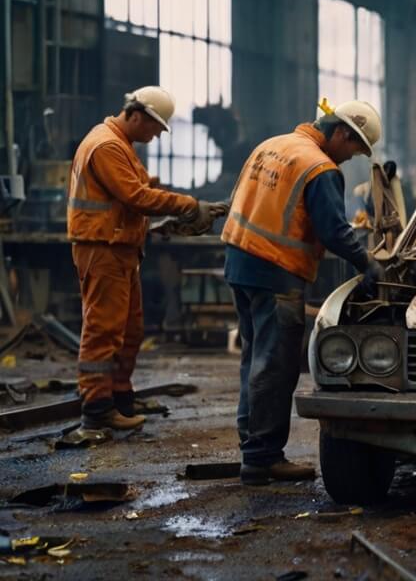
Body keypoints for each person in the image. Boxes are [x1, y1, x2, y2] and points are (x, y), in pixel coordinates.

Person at [222, 100, 386, 486]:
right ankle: (263, 459)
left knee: (254, 358)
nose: (350, 159)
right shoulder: (320, 167)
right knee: (275, 366)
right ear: (342, 134)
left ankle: (252, 444)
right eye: (354, 150)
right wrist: (367, 263)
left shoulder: (272, 145)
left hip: (239, 262)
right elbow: (333, 230)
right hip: (275, 271)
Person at [68, 87, 224, 430]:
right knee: (103, 329)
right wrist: (186, 205)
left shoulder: (120, 145)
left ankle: (120, 398)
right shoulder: (106, 145)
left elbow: (134, 195)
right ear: (136, 115)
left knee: (130, 329)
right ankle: (96, 409)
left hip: (120, 247)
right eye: (155, 127)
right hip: (102, 249)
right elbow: (135, 196)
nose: (156, 134)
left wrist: (161, 223)